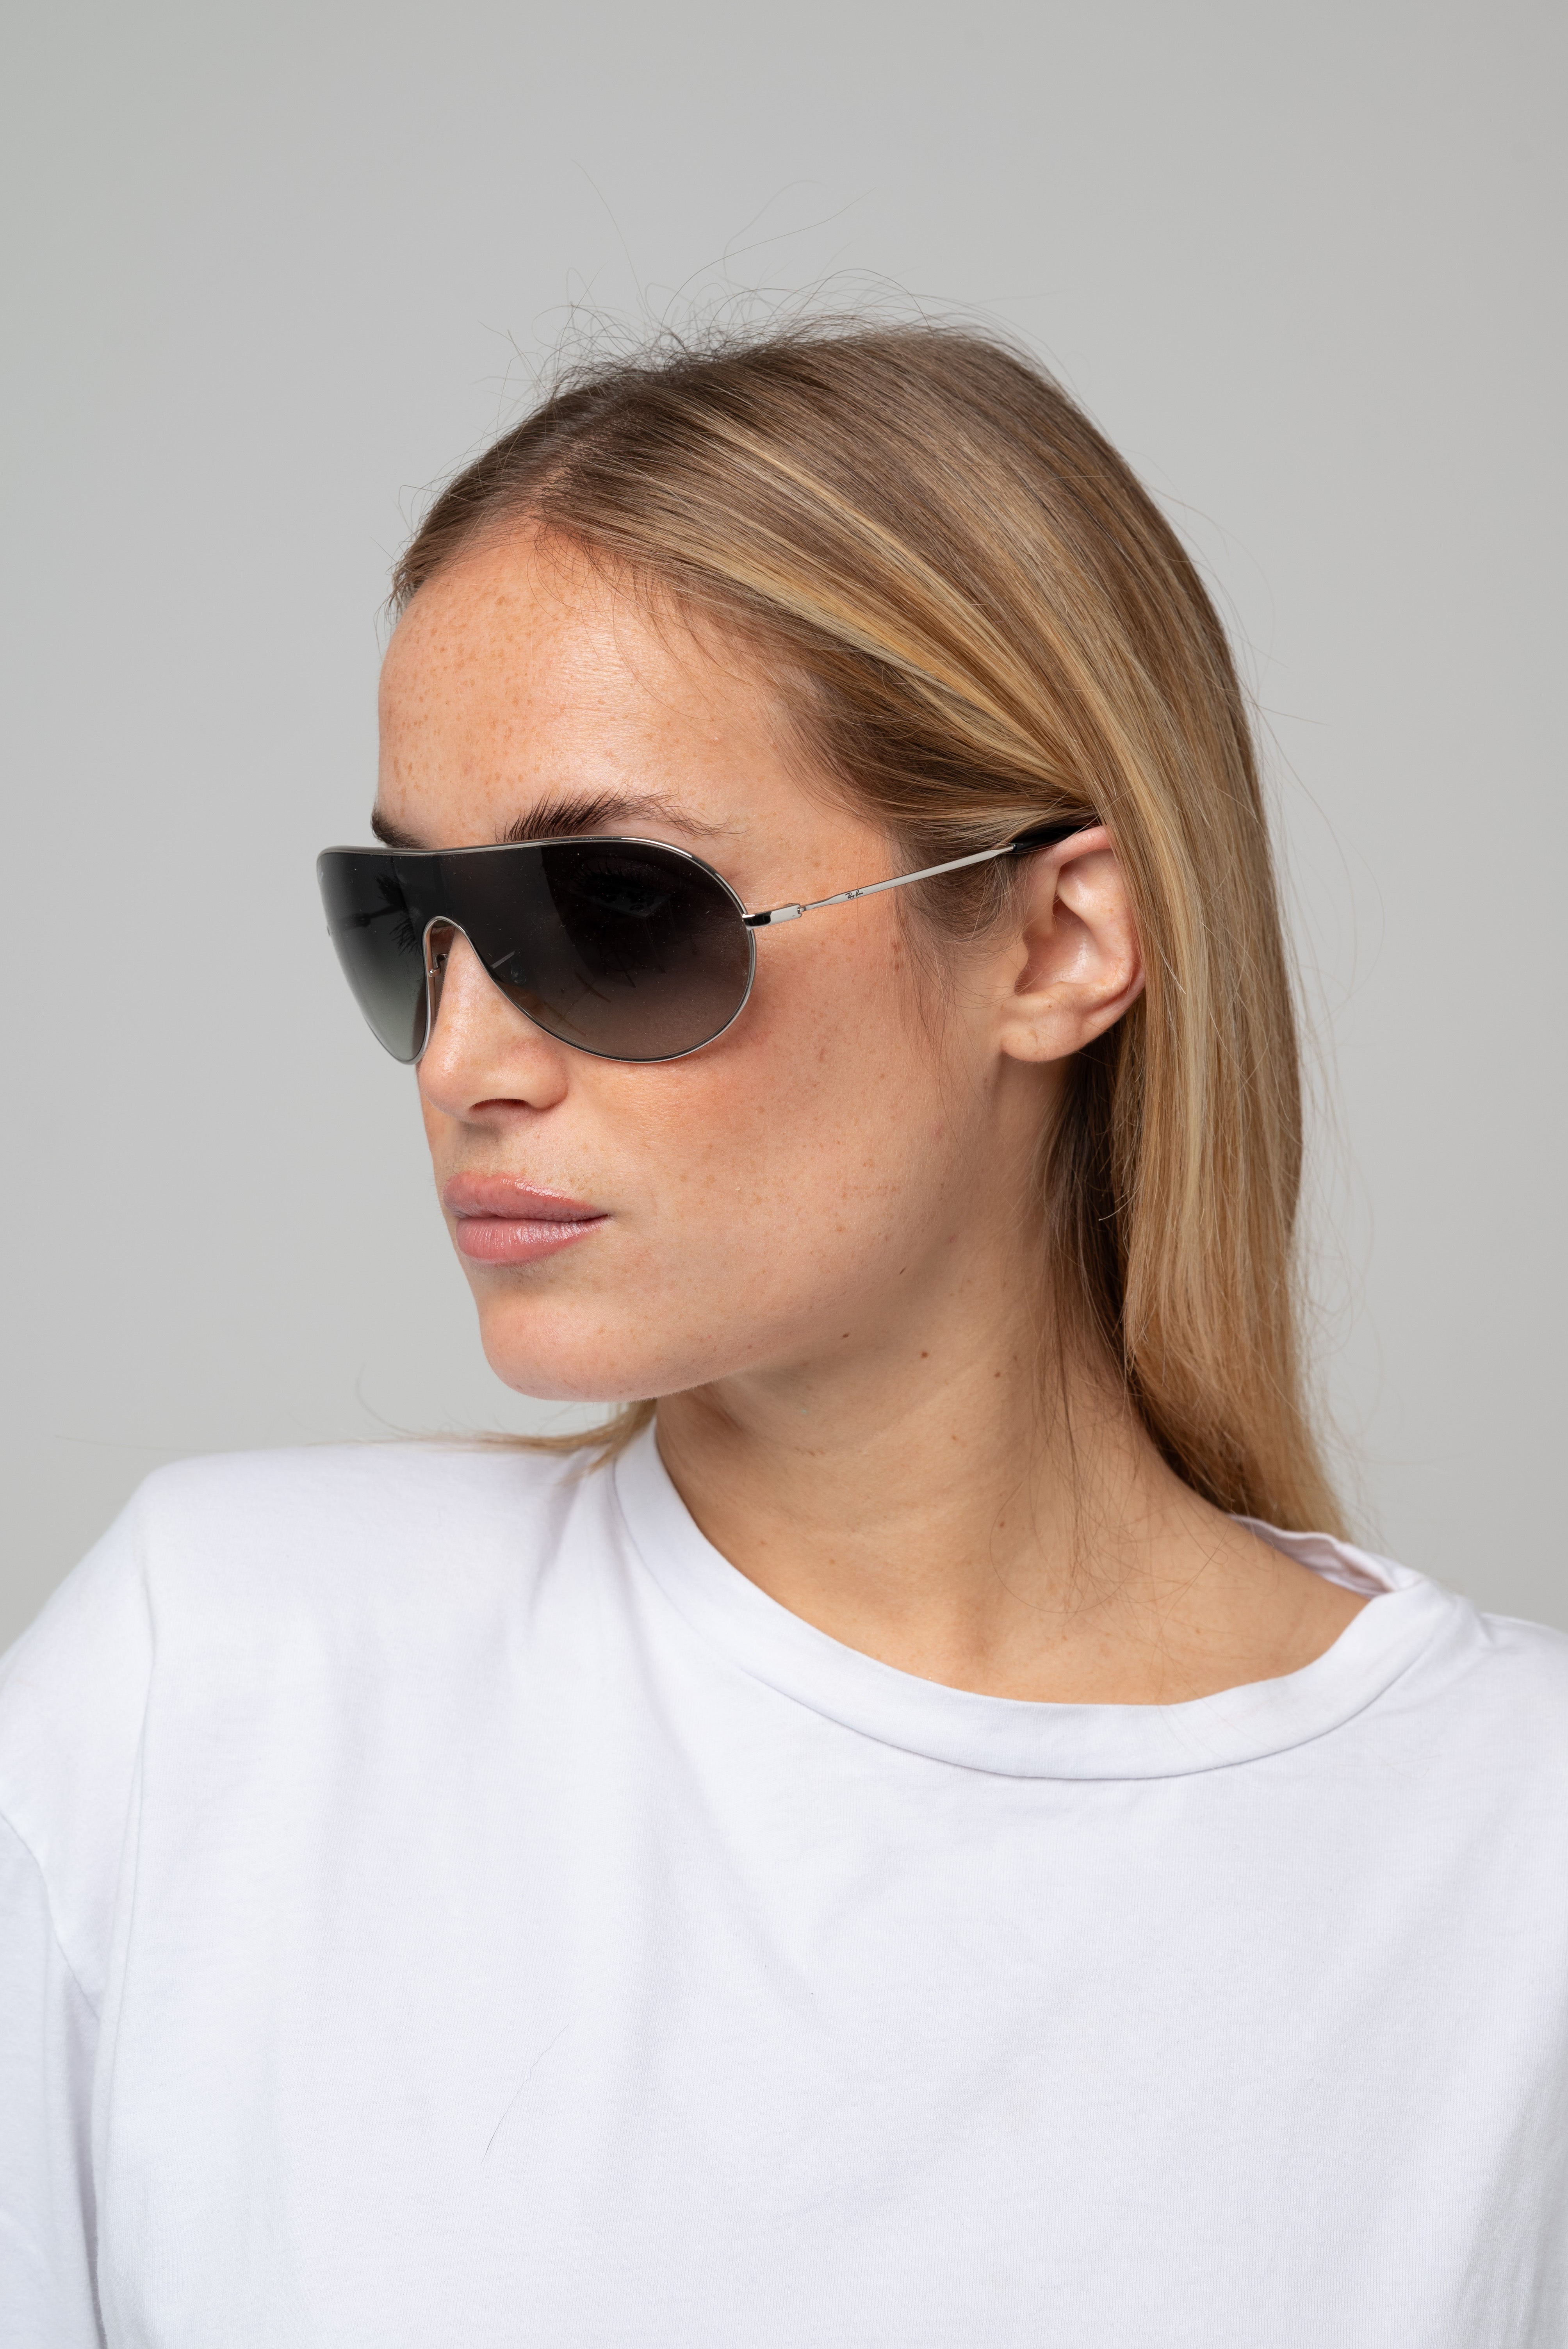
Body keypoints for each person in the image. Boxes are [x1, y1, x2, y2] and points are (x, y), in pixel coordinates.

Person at [2, 320, 1564, 2348]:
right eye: (413, 927)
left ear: (1060, 938)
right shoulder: (216, 1685)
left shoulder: (1510, 1854)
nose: (463, 1063)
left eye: (613, 914)